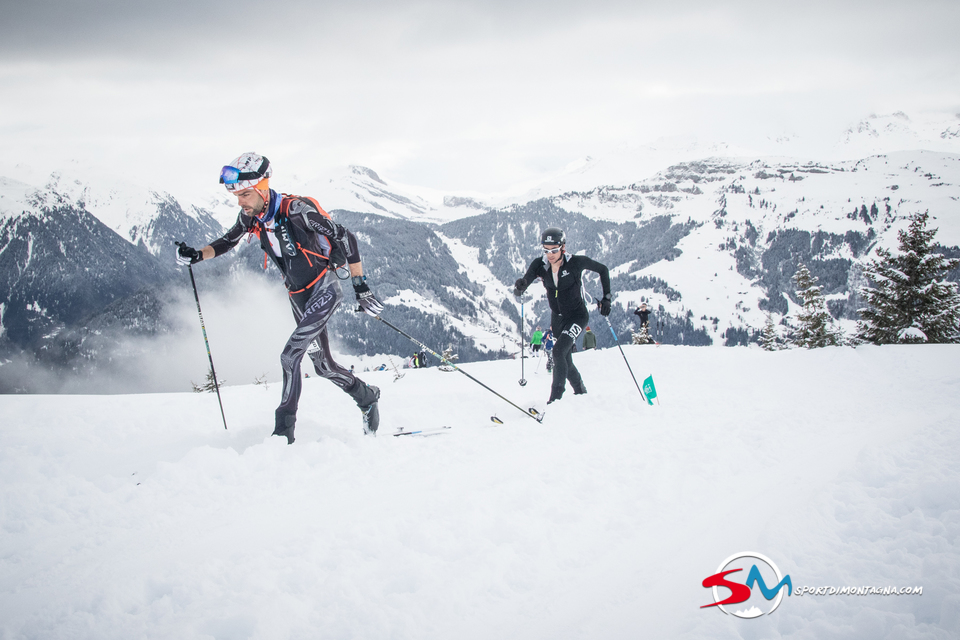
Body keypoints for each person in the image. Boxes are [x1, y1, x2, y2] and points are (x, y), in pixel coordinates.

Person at [176, 153, 385, 444]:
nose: (240, 202)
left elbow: (345, 237)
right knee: (323, 366)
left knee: (290, 356)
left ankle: (282, 434)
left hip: (324, 290)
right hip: (298, 297)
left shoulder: (298, 210)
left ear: (262, 188)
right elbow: (227, 241)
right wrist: (197, 255)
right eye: (236, 195)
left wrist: (361, 286)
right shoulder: (251, 217)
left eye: (245, 194)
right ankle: (367, 396)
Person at [513, 227, 611, 404]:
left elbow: (603, 270)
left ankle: (554, 400)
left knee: (558, 351)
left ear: (563, 247)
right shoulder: (540, 265)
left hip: (577, 316)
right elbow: (525, 282)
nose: (550, 254)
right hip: (557, 319)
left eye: (554, 250)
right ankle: (581, 392)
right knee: (565, 358)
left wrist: (607, 298)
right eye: (546, 250)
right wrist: (520, 286)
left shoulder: (575, 263)